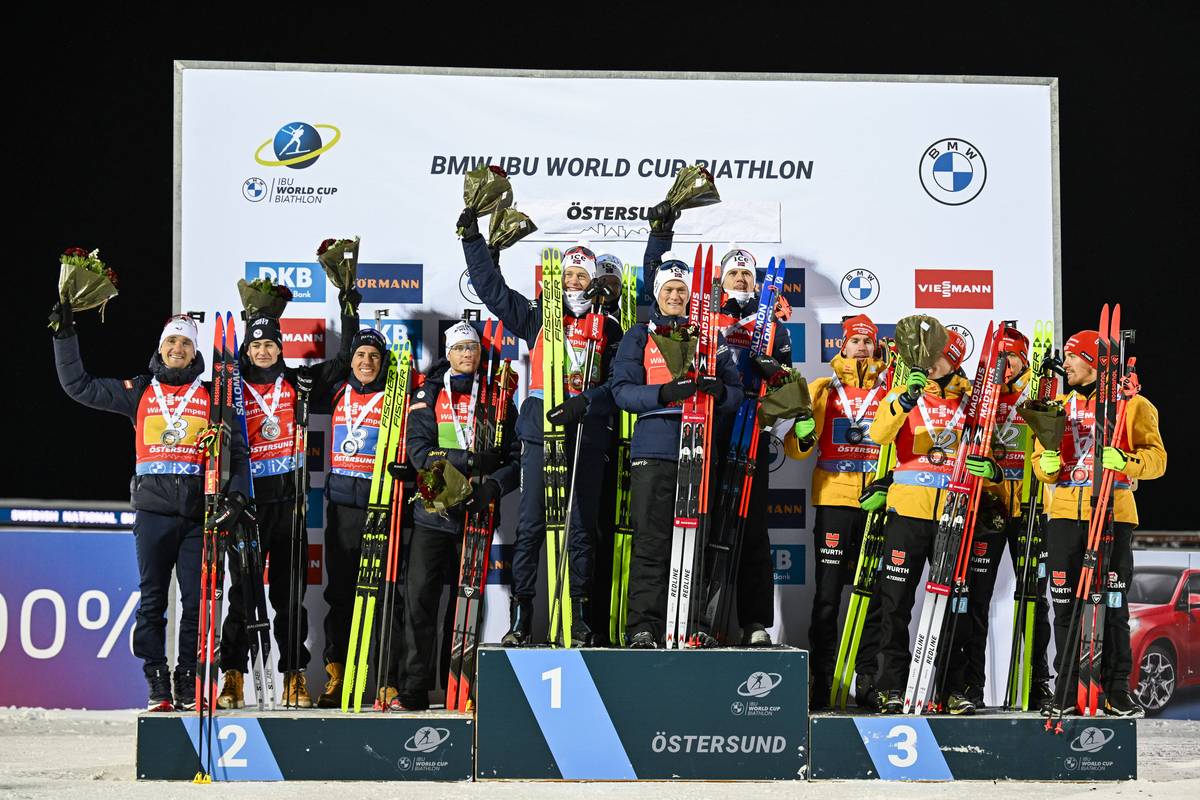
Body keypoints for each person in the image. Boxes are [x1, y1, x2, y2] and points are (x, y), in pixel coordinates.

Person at [51, 303, 249, 711]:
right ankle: (157, 680)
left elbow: (240, 452)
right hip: (153, 514)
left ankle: (187, 680)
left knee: (197, 603)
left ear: (195, 352)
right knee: (153, 600)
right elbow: (78, 386)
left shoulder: (213, 394)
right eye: (171, 342)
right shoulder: (140, 390)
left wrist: (236, 498)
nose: (178, 349)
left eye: (185, 343)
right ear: (161, 349)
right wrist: (64, 336)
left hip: (200, 516)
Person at [458, 207, 623, 647]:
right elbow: (491, 291)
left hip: (585, 434)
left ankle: (580, 615)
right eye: (568, 275)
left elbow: (616, 385)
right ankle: (520, 617)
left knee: (583, 527)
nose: (573, 282)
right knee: (530, 526)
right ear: (557, 278)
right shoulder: (536, 316)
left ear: (593, 282)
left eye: (581, 276)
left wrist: (588, 405)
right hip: (539, 431)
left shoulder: (609, 325)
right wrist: (473, 240)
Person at [216, 290, 360, 710]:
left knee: (288, 595)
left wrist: (348, 310)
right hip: (246, 505)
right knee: (242, 595)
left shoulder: (300, 383)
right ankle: (234, 677)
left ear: (281, 348)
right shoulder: (231, 388)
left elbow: (343, 361)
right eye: (256, 345)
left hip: (291, 504)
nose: (263, 351)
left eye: (270, 345)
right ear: (248, 348)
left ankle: (294, 675)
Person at [858, 328, 1005, 713]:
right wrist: (905, 398)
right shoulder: (905, 392)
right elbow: (878, 434)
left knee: (957, 603)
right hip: (908, 512)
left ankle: (953, 689)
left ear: (953, 359)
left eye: (938, 354)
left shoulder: (972, 401)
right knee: (894, 603)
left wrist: (989, 468)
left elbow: (991, 452)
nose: (930, 360)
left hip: (955, 515)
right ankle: (890, 686)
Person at [610, 255, 744, 648]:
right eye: (668, 289)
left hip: (700, 447)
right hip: (654, 449)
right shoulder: (640, 335)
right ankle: (644, 626)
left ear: (690, 297)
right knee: (651, 542)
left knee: (698, 541)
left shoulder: (707, 336)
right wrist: (664, 394)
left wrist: (720, 393)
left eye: (681, 291)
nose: (674, 296)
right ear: (657, 293)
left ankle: (694, 623)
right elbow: (622, 390)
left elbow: (735, 393)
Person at [1033, 329, 1166, 717]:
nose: (1067, 364)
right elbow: (1040, 460)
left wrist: (1127, 463)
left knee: (1112, 605)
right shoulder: (1056, 406)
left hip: (1113, 514)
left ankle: (1116, 690)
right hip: (1063, 515)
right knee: (1063, 605)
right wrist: (1047, 466)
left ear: (1094, 362)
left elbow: (1157, 458)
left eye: (1073, 357)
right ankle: (1069, 691)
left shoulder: (1133, 405)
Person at [399, 321, 520, 709]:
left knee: (467, 604)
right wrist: (467, 459)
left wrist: (493, 486)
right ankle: (413, 689)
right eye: (460, 348)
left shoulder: (498, 396)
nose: (468, 355)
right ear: (448, 354)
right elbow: (419, 452)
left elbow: (518, 458)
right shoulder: (428, 392)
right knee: (420, 602)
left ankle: (459, 687)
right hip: (433, 512)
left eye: (473, 349)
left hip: (477, 513)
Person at [943, 329, 1054, 711]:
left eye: (1012, 359)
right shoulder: (978, 397)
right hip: (988, 506)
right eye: (998, 359)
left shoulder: (1037, 397)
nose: (1004, 367)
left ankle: (1038, 683)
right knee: (975, 600)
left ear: (1025, 361)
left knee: (1034, 599)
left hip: (1028, 510)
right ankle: (970, 686)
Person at [784, 314, 886, 706]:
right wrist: (804, 435)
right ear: (841, 346)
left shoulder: (890, 391)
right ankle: (822, 680)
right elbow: (795, 450)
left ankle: (868, 681)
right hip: (834, 499)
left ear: (877, 347)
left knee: (875, 595)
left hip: (877, 503)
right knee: (827, 595)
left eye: (867, 340)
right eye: (854, 340)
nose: (861, 346)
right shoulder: (823, 388)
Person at [317, 325, 403, 707]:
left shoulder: (395, 397)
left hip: (381, 505)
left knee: (385, 595)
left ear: (382, 363)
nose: (366, 362)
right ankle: (339, 676)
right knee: (340, 596)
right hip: (341, 509)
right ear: (350, 359)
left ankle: (387, 679)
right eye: (360, 355)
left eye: (373, 356)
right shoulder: (336, 391)